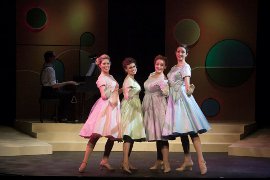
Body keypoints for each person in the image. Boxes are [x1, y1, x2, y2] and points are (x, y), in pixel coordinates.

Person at [163, 44, 211, 175]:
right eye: (178, 51)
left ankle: (201, 161)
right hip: (173, 99)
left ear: (186, 54)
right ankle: (187, 160)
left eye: (183, 52)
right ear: (175, 53)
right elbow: (168, 82)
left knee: (192, 131)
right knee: (182, 131)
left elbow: (187, 84)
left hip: (182, 99)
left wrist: (189, 90)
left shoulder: (186, 67)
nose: (180, 54)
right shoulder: (173, 68)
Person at [78, 54, 122, 173]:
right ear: (100, 65)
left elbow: (115, 91)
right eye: (104, 64)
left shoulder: (111, 76)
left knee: (111, 136)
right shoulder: (101, 78)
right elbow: (104, 95)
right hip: (105, 108)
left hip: (114, 107)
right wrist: (113, 90)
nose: (106, 65)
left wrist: (124, 90)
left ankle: (105, 160)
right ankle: (84, 162)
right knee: (95, 135)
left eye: (108, 63)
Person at [142, 55, 171, 173]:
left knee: (162, 136)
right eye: (157, 64)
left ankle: (167, 163)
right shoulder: (151, 75)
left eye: (161, 65)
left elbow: (167, 93)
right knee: (157, 135)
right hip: (149, 107)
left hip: (159, 107)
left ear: (165, 67)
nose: (159, 66)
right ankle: (159, 161)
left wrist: (165, 90)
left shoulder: (163, 79)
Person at [120, 57, 146, 174]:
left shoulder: (132, 80)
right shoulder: (128, 81)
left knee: (132, 136)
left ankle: (126, 162)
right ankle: (125, 163)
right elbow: (126, 93)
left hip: (135, 107)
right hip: (130, 108)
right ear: (126, 69)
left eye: (134, 66)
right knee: (128, 136)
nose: (133, 69)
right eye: (130, 67)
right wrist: (126, 94)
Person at [40, 50, 78, 122]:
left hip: (45, 91)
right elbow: (54, 85)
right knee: (69, 94)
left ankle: (57, 115)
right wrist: (69, 82)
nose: (55, 57)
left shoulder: (45, 66)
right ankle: (62, 116)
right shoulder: (50, 69)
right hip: (49, 92)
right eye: (54, 56)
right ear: (49, 58)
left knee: (64, 94)